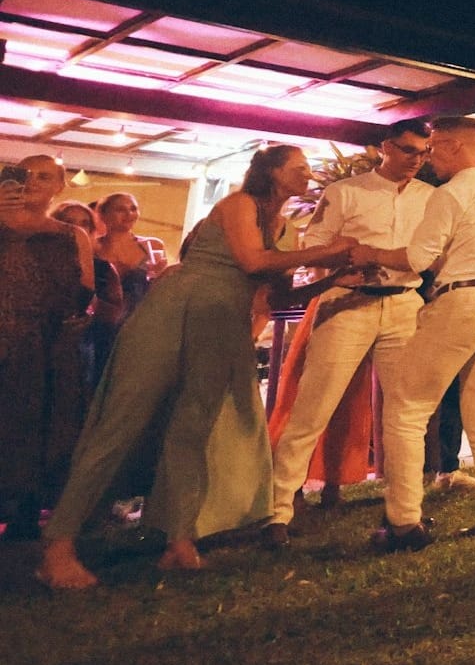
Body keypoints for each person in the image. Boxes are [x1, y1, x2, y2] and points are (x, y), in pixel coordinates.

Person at [38, 146, 356, 587]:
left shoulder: (287, 232)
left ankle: (179, 541)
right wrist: (327, 254)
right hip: (176, 310)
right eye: (298, 167)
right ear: (272, 172)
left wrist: (331, 280)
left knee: (193, 429)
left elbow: (275, 298)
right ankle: (58, 545)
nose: (307, 173)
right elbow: (251, 260)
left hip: (223, 324)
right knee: (122, 421)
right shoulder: (239, 204)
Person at [350, 117, 475, 551]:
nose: (428, 158)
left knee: (407, 409)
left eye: (432, 149)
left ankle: (403, 522)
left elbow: (419, 257)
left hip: (463, 298)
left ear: (450, 147)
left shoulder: (450, 194)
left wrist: (370, 252)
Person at [265, 118, 434, 544]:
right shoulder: (345, 191)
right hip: (347, 304)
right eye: (409, 149)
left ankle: (405, 514)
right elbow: (314, 244)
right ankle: (276, 512)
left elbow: (431, 253)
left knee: (404, 413)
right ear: (386, 147)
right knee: (313, 407)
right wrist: (344, 264)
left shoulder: (431, 198)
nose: (416, 159)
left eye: (423, 152)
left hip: (402, 304)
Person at [1, 157, 94, 542]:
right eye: (26, 175)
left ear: (60, 185)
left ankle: (24, 512)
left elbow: (86, 288)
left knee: (39, 428)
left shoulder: (72, 235)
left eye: (44, 176)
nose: (34, 183)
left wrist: (80, 316)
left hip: (48, 343)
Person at [50, 201, 123, 394]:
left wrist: (92, 307)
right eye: (69, 221)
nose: (76, 228)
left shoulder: (102, 268)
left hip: (84, 342)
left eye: (84, 223)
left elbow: (114, 312)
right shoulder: (40, 258)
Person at [94, 191, 169, 315]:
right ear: (103, 215)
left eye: (133, 209)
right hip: (101, 318)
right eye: (120, 209)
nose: (129, 214)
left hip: (141, 317)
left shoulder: (152, 246)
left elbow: (161, 291)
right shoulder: (93, 247)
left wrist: (162, 276)